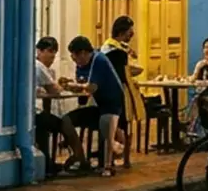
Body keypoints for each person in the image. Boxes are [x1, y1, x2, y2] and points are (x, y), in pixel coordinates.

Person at [58, 36, 124, 175]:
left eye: (75, 56)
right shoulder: (81, 64)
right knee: (66, 121)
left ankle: (112, 157)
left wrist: (73, 86)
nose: (74, 60)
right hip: (97, 105)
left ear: (83, 53)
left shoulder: (98, 60)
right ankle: (80, 158)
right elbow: (82, 85)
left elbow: (91, 88)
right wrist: (70, 85)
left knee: (106, 125)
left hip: (111, 104)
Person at [101, 17, 144, 170]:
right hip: (120, 90)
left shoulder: (106, 48)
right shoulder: (117, 52)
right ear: (121, 32)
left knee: (117, 125)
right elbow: (124, 71)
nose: (131, 35)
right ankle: (123, 158)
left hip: (108, 90)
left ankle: (112, 159)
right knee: (124, 125)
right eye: (129, 32)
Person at [34, 37, 66, 173]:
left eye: (55, 52)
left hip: (32, 112)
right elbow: (54, 90)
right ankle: (78, 156)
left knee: (44, 128)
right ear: (39, 51)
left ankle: (47, 162)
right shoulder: (39, 66)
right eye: (49, 51)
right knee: (65, 124)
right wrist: (63, 86)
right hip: (34, 112)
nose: (52, 55)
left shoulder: (39, 67)